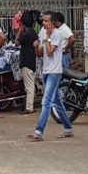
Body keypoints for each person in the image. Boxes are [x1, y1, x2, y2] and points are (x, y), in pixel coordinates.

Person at [27, 13, 73, 142]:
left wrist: (47, 38)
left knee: (46, 101)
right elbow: (41, 54)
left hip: (55, 71)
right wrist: (36, 47)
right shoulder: (42, 32)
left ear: (52, 23)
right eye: (43, 21)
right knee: (57, 101)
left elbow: (50, 51)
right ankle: (68, 128)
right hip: (46, 70)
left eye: (46, 21)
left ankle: (39, 131)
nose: (44, 24)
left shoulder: (57, 34)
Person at [16, 11, 37, 114]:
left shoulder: (27, 34)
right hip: (31, 61)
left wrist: (19, 31)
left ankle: (29, 107)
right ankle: (30, 105)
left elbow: (16, 43)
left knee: (29, 86)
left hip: (26, 61)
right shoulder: (33, 32)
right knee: (30, 84)